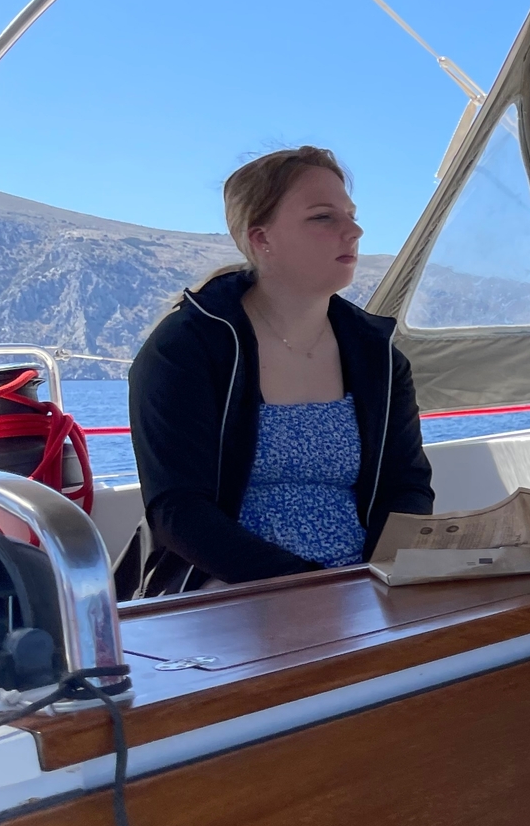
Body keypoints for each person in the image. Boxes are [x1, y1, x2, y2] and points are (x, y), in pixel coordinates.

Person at [130, 147, 433, 594]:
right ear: (261, 238)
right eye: (323, 217)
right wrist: (305, 588)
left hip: (359, 587)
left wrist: (377, 579)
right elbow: (178, 510)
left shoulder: (378, 356)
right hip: (227, 589)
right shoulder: (186, 348)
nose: (354, 231)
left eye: (351, 216)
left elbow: (405, 485)